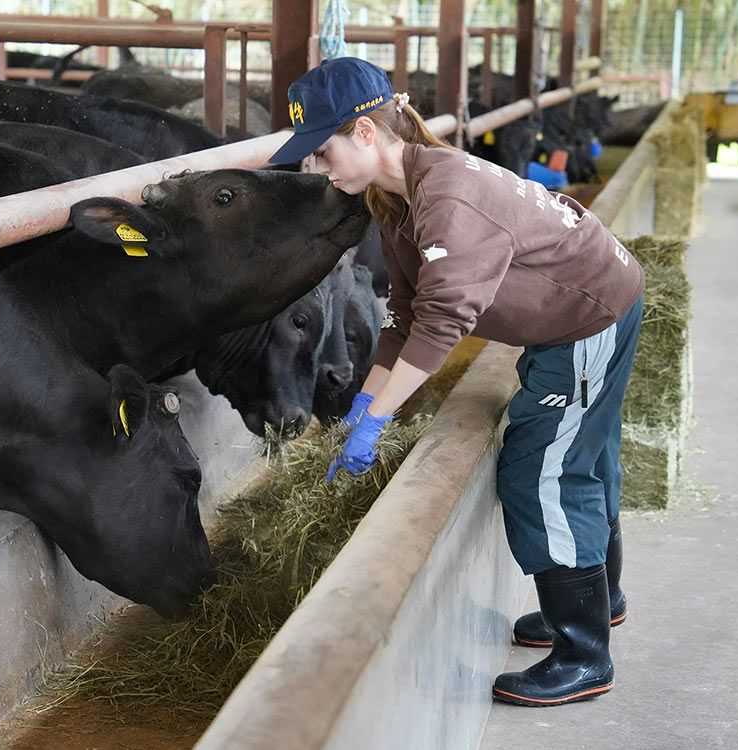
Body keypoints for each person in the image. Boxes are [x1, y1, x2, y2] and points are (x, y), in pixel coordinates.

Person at [268, 57, 644, 707]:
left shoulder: (447, 194)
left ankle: (585, 655)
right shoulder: (395, 198)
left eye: (323, 150)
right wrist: (366, 400)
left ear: (365, 133)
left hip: (589, 316)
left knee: (544, 469)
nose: (317, 167)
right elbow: (406, 312)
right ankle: (596, 601)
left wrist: (378, 420)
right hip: (570, 314)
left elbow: (444, 322)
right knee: (580, 453)